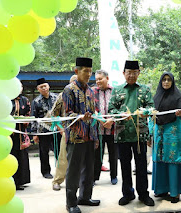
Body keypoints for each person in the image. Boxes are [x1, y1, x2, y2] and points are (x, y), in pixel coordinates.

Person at [108, 60, 155, 206]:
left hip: (140, 134)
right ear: (124, 73)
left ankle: (143, 194)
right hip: (122, 134)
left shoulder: (145, 89)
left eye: (135, 73)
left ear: (139, 73)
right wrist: (121, 114)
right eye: (129, 73)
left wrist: (144, 112)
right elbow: (111, 109)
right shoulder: (117, 90)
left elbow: (151, 107)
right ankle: (128, 194)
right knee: (125, 166)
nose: (132, 76)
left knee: (141, 166)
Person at [62, 57, 100, 213]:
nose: (88, 74)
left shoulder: (91, 91)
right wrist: (80, 116)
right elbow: (67, 113)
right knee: (74, 171)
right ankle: (71, 203)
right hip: (75, 137)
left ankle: (85, 197)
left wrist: (96, 134)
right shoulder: (69, 90)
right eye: (85, 71)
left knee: (89, 170)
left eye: (90, 71)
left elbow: (94, 114)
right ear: (76, 71)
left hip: (90, 136)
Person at [151, 72, 181, 203]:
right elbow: (152, 113)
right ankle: (161, 189)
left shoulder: (178, 96)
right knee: (160, 158)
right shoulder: (156, 96)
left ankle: (175, 192)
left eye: (169, 80)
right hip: (159, 131)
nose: (166, 82)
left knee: (174, 158)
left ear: (172, 82)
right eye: (164, 80)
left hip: (173, 131)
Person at [51, 75, 78, 191]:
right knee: (63, 158)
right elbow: (54, 114)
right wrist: (60, 129)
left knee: (80, 159)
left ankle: (78, 181)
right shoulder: (62, 96)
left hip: (82, 132)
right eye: (74, 83)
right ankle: (57, 181)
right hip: (67, 132)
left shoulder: (85, 95)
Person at [92, 70, 118, 185]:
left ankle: (114, 176)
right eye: (96, 79)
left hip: (113, 129)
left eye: (100, 79)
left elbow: (120, 108)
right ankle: (94, 177)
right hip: (98, 129)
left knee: (113, 154)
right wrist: (100, 120)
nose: (98, 81)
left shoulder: (115, 91)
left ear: (107, 78)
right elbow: (90, 109)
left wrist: (112, 120)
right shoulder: (92, 92)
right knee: (97, 155)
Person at [31, 78, 58, 179]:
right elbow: (33, 118)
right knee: (44, 152)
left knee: (59, 150)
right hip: (43, 131)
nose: (44, 88)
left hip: (57, 129)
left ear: (48, 86)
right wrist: (34, 134)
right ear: (38, 89)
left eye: (45, 86)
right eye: (41, 87)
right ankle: (46, 172)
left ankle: (61, 170)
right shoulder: (36, 101)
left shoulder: (56, 97)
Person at [10, 86, 31, 190]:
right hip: (9, 134)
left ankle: (21, 181)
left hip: (21, 133)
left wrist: (25, 119)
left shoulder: (25, 100)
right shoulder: (7, 99)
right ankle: (11, 181)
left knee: (21, 156)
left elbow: (28, 113)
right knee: (11, 155)